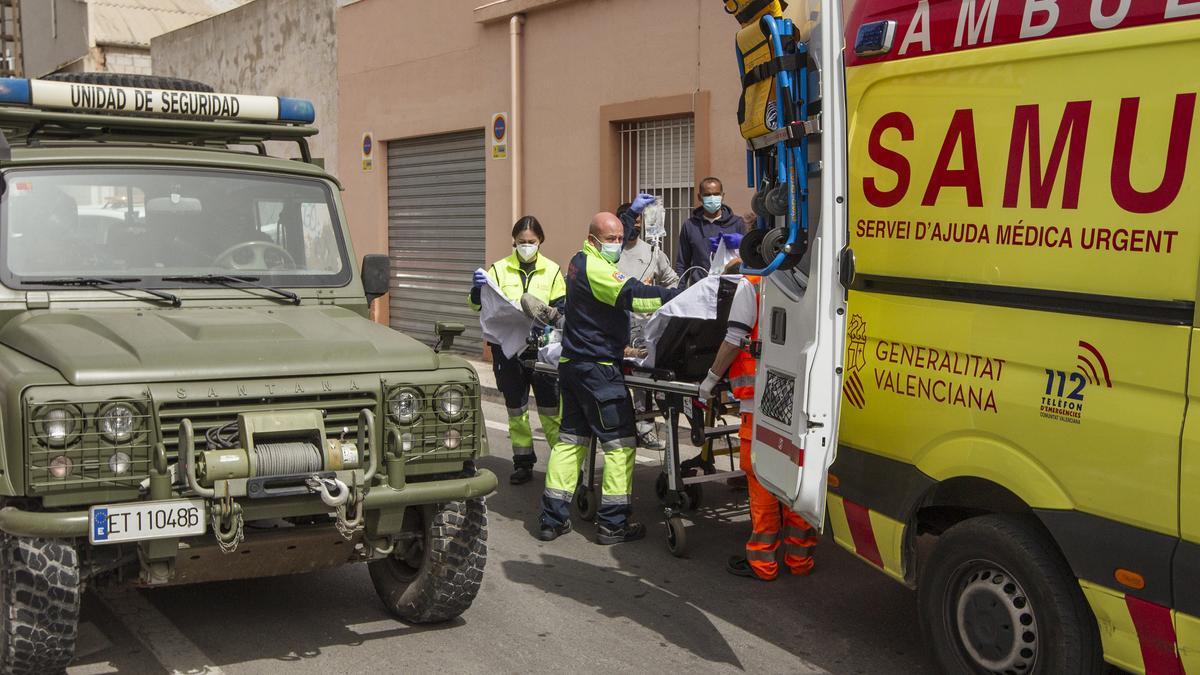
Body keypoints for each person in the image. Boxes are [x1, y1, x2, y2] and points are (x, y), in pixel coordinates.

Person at [538, 212, 682, 544]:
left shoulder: (579, 260)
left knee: (570, 442)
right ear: (593, 240)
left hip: (574, 364)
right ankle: (613, 524)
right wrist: (681, 295)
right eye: (612, 239)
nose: (618, 244)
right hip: (598, 369)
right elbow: (635, 296)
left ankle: (552, 518)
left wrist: (630, 218)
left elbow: (613, 246)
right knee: (619, 445)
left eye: (621, 238)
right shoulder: (597, 268)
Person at [697, 252, 818, 580]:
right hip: (803, 397)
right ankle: (800, 559)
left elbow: (735, 340)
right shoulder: (812, 279)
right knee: (798, 475)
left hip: (760, 402)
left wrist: (709, 380)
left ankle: (763, 562)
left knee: (761, 476)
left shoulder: (751, 284)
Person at [469, 216, 566, 485]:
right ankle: (523, 462)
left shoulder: (553, 270)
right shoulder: (498, 269)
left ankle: (563, 467)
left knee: (550, 411)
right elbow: (477, 306)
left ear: (540, 241)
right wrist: (477, 290)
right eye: (521, 242)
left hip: (542, 349)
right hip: (508, 350)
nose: (526, 246)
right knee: (516, 411)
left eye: (531, 242)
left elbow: (561, 308)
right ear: (514, 241)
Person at [616, 194, 678, 452]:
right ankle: (627, 428)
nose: (637, 225)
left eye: (640, 220)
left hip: (647, 327)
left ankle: (647, 427)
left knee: (647, 377)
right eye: (632, 220)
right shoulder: (610, 255)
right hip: (617, 326)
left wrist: (663, 306)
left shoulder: (653, 252)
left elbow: (673, 282)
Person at [674, 177, 747, 287]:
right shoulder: (690, 225)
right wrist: (679, 290)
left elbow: (747, 257)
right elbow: (683, 263)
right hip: (699, 288)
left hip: (731, 287)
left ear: (722, 196)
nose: (712, 198)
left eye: (716, 194)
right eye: (707, 195)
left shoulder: (737, 223)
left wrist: (741, 243)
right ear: (700, 197)